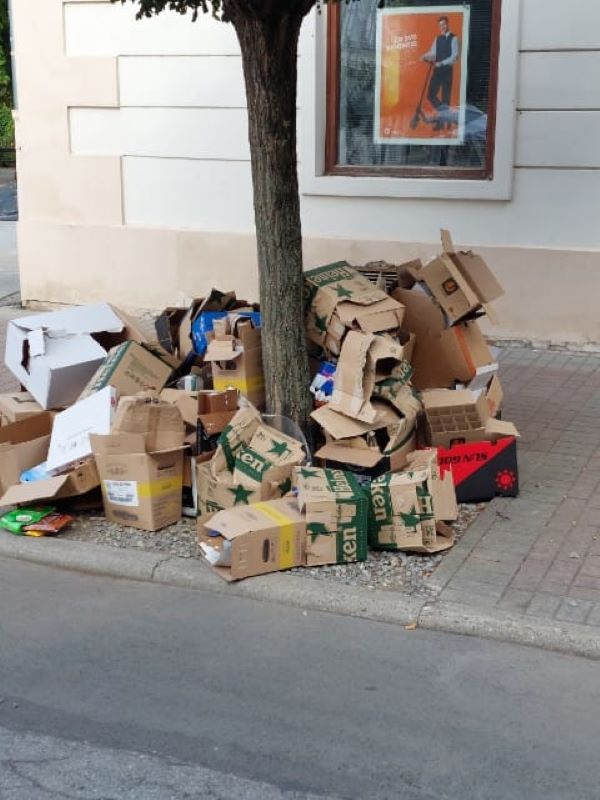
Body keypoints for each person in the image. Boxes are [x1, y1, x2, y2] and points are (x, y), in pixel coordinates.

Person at [421, 16, 459, 130]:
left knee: (445, 98)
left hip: (447, 71)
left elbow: (454, 57)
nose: (443, 27)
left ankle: (442, 124)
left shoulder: (454, 38)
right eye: (441, 25)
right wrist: (424, 56)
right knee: (431, 95)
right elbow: (433, 52)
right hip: (437, 71)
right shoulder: (437, 38)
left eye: (444, 24)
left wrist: (442, 63)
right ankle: (446, 118)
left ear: (448, 24)